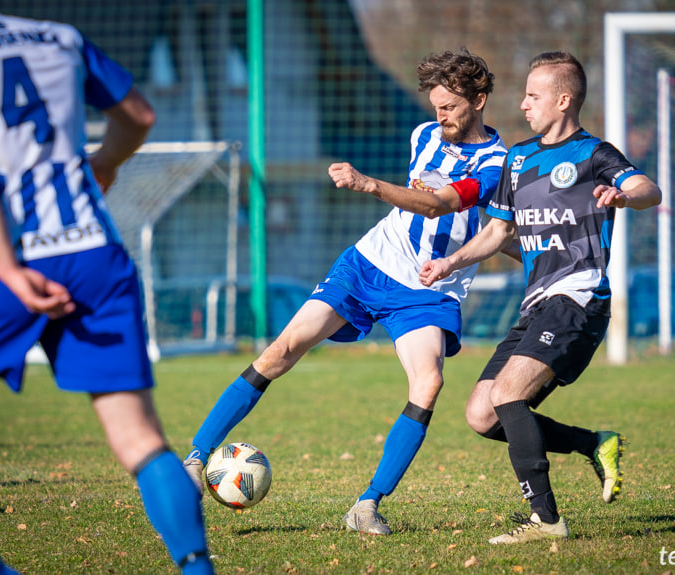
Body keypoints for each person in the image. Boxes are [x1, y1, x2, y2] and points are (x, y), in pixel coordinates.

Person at [183, 49, 508, 535]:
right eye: (436, 105)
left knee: (429, 383)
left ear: (479, 100)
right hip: (369, 265)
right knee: (281, 350)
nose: (439, 117)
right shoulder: (424, 134)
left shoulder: (499, 163)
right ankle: (195, 458)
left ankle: (367, 505)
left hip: (428, 288)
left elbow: (440, 206)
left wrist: (369, 185)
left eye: (451, 107)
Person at [0, 2, 215, 573]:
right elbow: (139, 116)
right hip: (92, 252)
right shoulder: (59, 37)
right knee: (139, 439)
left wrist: (7, 267)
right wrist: (103, 163)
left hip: (2, 263)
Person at [420, 50, 662, 545]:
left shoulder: (594, 155)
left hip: (578, 300)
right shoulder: (519, 158)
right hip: (536, 304)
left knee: (508, 394)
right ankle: (595, 444)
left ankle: (547, 520)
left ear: (563, 99)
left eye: (534, 95)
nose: (524, 104)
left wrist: (623, 195)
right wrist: (451, 262)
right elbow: (497, 232)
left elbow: (648, 189)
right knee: (482, 415)